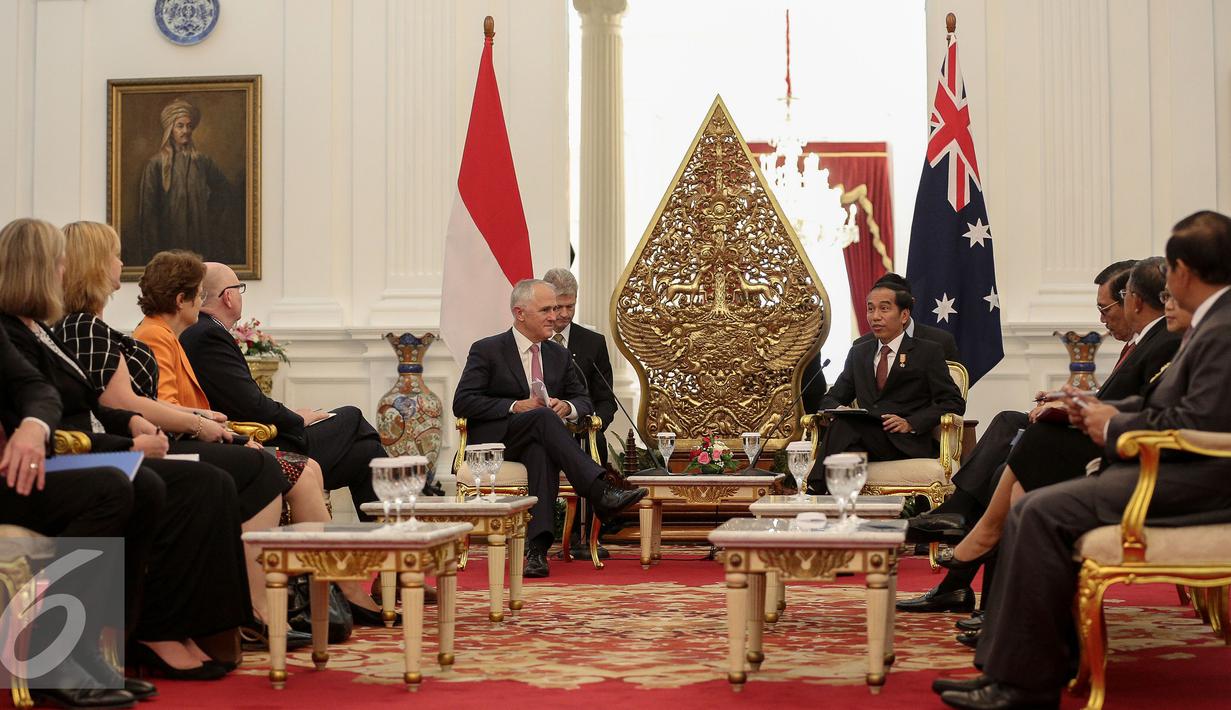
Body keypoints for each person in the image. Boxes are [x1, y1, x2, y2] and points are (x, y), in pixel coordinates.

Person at [937, 210, 1231, 709]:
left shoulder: (1220, 329)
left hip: (1193, 482)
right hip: (1184, 471)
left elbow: (1198, 428)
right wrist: (1102, 410)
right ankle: (1010, 672)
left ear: (1182, 271)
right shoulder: (1215, 322)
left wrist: (1113, 426)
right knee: (1035, 504)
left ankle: (1024, 685)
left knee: (1038, 510)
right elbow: (1175, 410)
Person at [58, 224, 386, 626]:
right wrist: (208, 427)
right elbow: (131, 404)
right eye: (114, 255)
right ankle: (273, 602)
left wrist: (209, 424)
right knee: (322, 443)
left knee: (358, 449)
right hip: (161, 444)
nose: (121, 264)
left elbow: (138, 403)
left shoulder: (164, 334)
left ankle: (327, 589)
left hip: (179, 436)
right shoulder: (146, 334)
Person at [0, 217, 246, 683]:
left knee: (194, 482)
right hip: (35, 467)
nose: (62, 271)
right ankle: (60, 656)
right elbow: (42, 400)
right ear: (36, 269)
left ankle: (122, 638)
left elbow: (71, 400)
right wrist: (127, 441)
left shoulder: (38, 331)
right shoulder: (14, 330)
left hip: (67, 453)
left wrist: (130, 427)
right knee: (129, 485)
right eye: (57, 262)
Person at [900, 259, 1177, 616]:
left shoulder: (1162, 341)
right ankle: (959, 530)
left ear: (1133, 300)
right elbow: (1126, 402)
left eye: (1106, 308)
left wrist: (1066, 409)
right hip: (1103, 437)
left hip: (1113, 450)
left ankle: (975, 577)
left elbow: (1136, 409)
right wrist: (1069, 401)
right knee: (1007, 422)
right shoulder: (1148, 340)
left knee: (1013, 465)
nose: (1104, 319)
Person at [452, 279, 648, 578]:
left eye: (556, 308)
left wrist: (566, 407)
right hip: (497, 439)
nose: (554, 316)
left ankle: (537, 551)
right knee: (543, 420)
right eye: (546, 309)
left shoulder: (558, 354)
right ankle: (599, 490)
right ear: (520, 313)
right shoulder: (488, 349)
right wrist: (515, 406)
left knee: (541, 446)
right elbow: (463, 402)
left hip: (537, 436)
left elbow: (584, 398)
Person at [182, 261, 390, 521]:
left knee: (368, 453)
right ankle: (392, 537)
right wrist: (298, 418)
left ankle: (381, 542)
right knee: (352, 417)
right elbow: (251, 405)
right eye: (239, 288)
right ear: (229, 296)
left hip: (254, 434)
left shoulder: (202, 330)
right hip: (257, 443)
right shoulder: (208, 334)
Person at [806, 284, 965, 492]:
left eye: (884, 308)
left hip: (905, 440)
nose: (875, 316)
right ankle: (847, 513)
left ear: (904, 315)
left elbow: (953, 401)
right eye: (870, 309)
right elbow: (830, 398)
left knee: (845, 430)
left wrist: (911, 422)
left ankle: (814, 491)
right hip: (866, 437)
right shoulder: (859, 353)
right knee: (846, 436)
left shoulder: (927, 352)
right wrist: (840, 409)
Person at [542, 267, 617, 560]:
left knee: (593, 444)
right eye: (557, 307)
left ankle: (586, 537)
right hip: (541, 427)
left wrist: (594, 422)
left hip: (581, 429)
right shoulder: (532, 341)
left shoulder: (592, 343)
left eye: (569, 306)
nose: (563, 314)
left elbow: (606, 399)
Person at [134, 97, 240, 265]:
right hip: (169, 242)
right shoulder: (155, 164)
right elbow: (148, 214)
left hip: (201, 241)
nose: (186, 131)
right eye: (180, 126)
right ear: (170, 129)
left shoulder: (202, 162)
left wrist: (209, 215)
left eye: (189, 126)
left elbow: (224, 190)